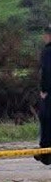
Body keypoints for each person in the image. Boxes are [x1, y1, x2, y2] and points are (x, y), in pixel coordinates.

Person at [40, 25, 51, 166]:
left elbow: (47, 71)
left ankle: (46, 153)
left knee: (46, 119)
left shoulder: (48, 51)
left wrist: (44, 90)